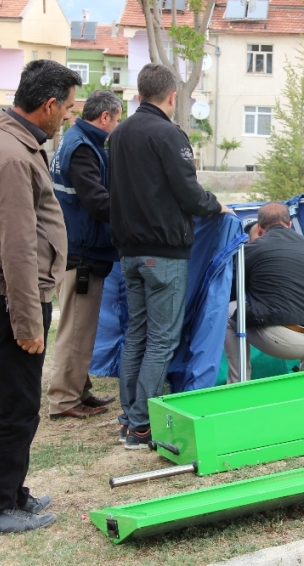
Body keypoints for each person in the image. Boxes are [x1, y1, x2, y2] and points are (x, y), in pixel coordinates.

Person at [0, 60, 81, 536]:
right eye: (65, 109)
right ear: (47, 105)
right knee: (17, 405)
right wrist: (28, 323)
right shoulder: (11, 155)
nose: (66, 116)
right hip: (11, 297)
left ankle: (11, 492)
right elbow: (20, 250)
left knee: (16, 399)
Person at [109, 63, 234, 449]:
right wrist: (218, 207)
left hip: (129, 252)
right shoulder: (168, 133)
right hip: (162, 254)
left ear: (138, 93)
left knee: (137, 335)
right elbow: (189, 192)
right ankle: (141, 424)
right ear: (172, 96)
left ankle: (130, 416)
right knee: (161, 340)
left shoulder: (119, 134)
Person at [46, 91, 122, 420]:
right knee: (76, 328)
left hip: (76, 247)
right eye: (116, 119)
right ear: (104, 116)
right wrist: (134, 213)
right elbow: (97, 202)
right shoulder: (82, 149)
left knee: (82, 328)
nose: (115, 127)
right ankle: (64, 399)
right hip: (81, 254)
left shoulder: (76, 140)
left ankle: (79, 388)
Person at [224, 203, 304, 383]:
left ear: (260, 229)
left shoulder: (248, 249)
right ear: (289, 225)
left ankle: (238, 385)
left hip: (284, 340)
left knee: (228, 310)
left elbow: (232, 292)